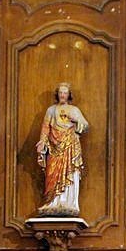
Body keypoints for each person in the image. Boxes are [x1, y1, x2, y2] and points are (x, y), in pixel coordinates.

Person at [35, 83, 88, 216]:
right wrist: (42, 142)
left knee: (70, 171)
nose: (62, 95)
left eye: (65, 93)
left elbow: (85, 125)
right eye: (60, 93)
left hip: (70, 145)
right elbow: (45, 128)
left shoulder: (74, 110)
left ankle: (68, 203)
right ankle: (52, 202)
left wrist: (76, 121)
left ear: (69, 95)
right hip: (54, 147)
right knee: (52, 172)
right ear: (57, 94)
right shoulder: (51, 110)